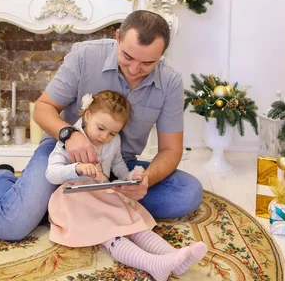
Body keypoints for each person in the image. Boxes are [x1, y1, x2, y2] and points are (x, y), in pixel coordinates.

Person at [0, 10, 203, 242]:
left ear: (162, 54)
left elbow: (171, 150)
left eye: (148, 63)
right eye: (127, 56)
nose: (135, 69)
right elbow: (43, 108)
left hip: (115, 166)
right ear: (117, 37)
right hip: (63, 153)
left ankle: (63, 205)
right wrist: (69, 134)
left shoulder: (170, 82)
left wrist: (145, 180)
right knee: (9, 226)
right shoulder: (85, 56)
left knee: (187, 193)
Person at [46, 90, 206, 281]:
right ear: (87, 115)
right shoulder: (69, 141)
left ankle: (175, 257)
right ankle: (152, 264)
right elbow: (51, 174)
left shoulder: (113, 141)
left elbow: (118, 165)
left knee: (134, 225)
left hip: (102, 193)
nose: (105, 137)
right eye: (101, 128)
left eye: (112, 133)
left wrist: (131, 176)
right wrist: (77, 168)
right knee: (111, 232)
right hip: (74, 199)